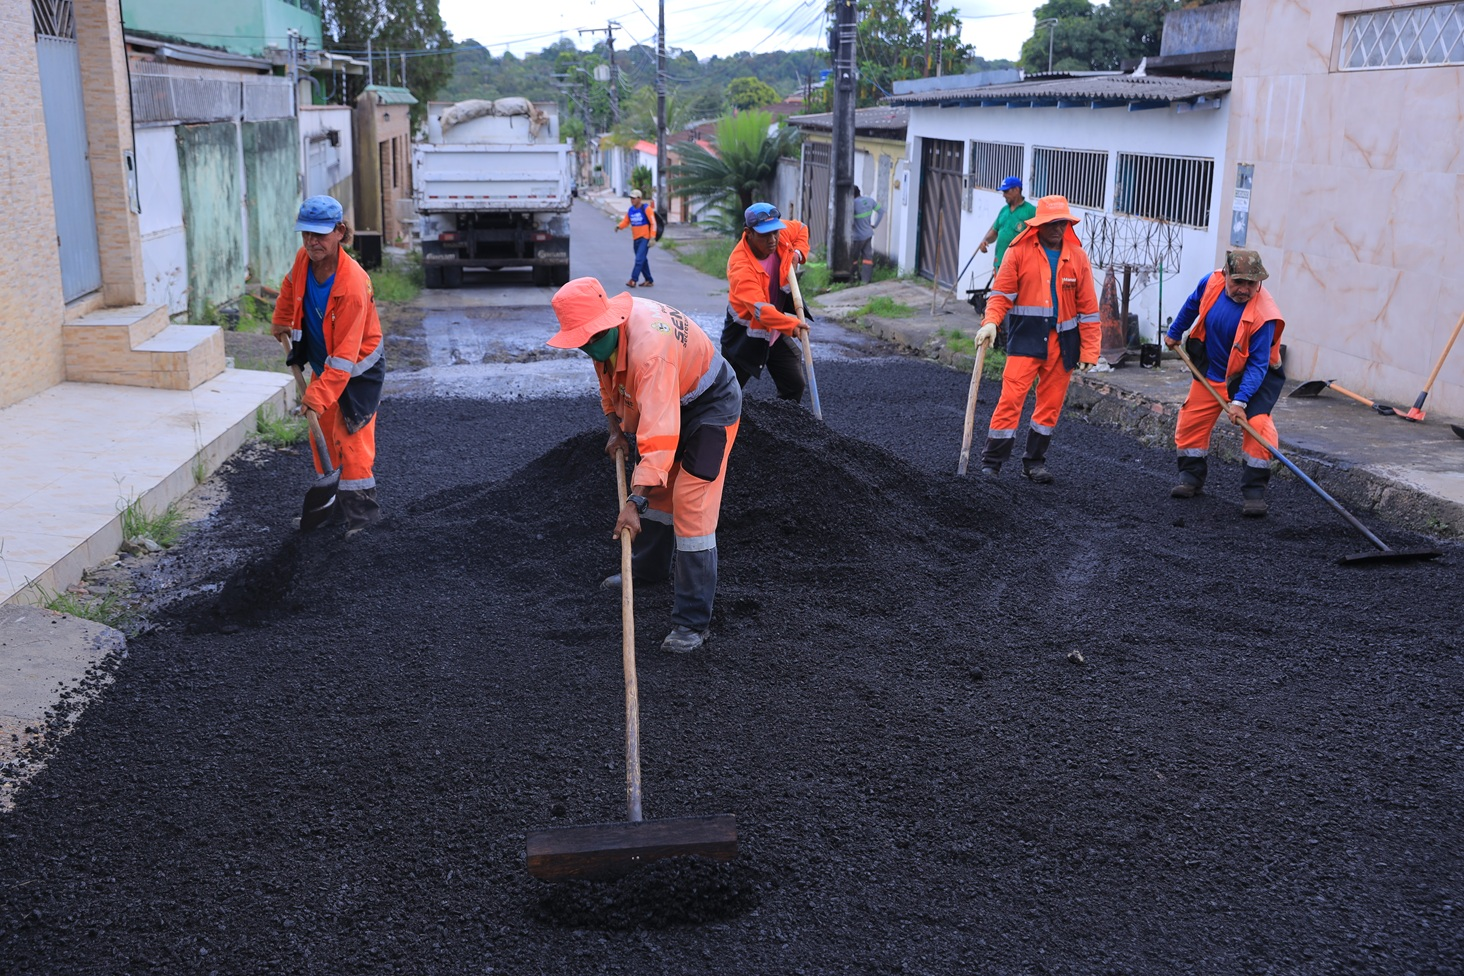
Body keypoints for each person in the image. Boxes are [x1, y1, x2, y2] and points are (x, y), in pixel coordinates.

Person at [547, 277, 742, 654]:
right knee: (660, 491)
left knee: (691, 501)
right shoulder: (604, 338)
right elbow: (609, 382)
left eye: (593, 338)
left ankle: (692, 623)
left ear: (612, 321)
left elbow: (658, 435)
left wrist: (633, 503)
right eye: (582, 341)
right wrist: (615, 430)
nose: (589, 346)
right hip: (671, 397)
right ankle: (649, 570)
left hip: (710, 404)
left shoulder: (649, 352)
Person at [271, 194, 385, 537]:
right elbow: (291, 285)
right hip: (327, 367)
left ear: (340, 232)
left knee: (350, 441)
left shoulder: (353, 286)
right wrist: (281, 319)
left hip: (357, 371)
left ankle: (363, 520)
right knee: (320, 433)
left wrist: (316, 397)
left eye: (319, 234)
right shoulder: (304, 260)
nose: (311, 242)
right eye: (306, 233)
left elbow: (346, 357)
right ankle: (333, 513)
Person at [974, 195, 1100, 484]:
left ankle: (1034, 463)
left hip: (1063, 344)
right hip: (1026, 338)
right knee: (1010, 400)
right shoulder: (1018, 252)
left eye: (1062, 223)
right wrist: (991, 322)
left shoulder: (1077, 257)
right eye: (1052, 223)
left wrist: (1090, 350)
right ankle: (992, 464)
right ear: (1039, 224)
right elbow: (1001, 295)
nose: (1058, 228)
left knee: (1050, 406)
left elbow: (1089, 310)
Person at [1164, 249, 1286, 517]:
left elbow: (1258, 365)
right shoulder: (1211, 282)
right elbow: (1193, 304)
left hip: (1250, 379)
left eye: (1251, 284)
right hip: (1212, 371)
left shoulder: (1264, 315)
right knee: (1191, 421)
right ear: (1225, 274)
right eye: (1238, 282)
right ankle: (1190, 479)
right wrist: (1174, 332)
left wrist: (1240, 402)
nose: (1244, 289)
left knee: (1259, 429)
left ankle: (1254, 494)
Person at [722, 202, 812, 401]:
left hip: (775, 331)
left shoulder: (780, 234)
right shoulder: (741, 267)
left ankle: (784, 419)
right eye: (765, 235)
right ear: (749, 233)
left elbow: (801, 229)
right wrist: (792, 326)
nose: (772, 240)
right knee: (727, 393)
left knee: (794, 385)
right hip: (745, 336)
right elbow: (761, 311)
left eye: (775, 233)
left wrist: (797, 254)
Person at [977, 176, 1037, 272]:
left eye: (1006, 191)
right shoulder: (1004, 210)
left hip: (1018, 266)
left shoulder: (1031, 211)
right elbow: (995, 232)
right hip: (999, 263)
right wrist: (985, 241)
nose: (1003, 195)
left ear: (1016, 190)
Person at [615, 188, 656, 288]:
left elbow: (653, 223)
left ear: (640, 198)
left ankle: (633, 280)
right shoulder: (631, 210)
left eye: (634, 198)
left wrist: (652, 237)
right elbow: (626, 221)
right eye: (631, 198)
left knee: (639, 259)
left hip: (645, 238)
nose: (632, 200)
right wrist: (619, 226)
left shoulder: (646, 209)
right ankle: (649, 280)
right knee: (642, 260)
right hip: (636, 239)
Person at [851, 186, 883, 283]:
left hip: (857, 237)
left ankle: (854, 278)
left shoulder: (852, 204)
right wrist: (875, 225)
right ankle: (866, 280)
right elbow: (881, 211)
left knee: (853, 258)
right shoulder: (869, 200)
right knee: (867, 258)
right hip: (868, 234)